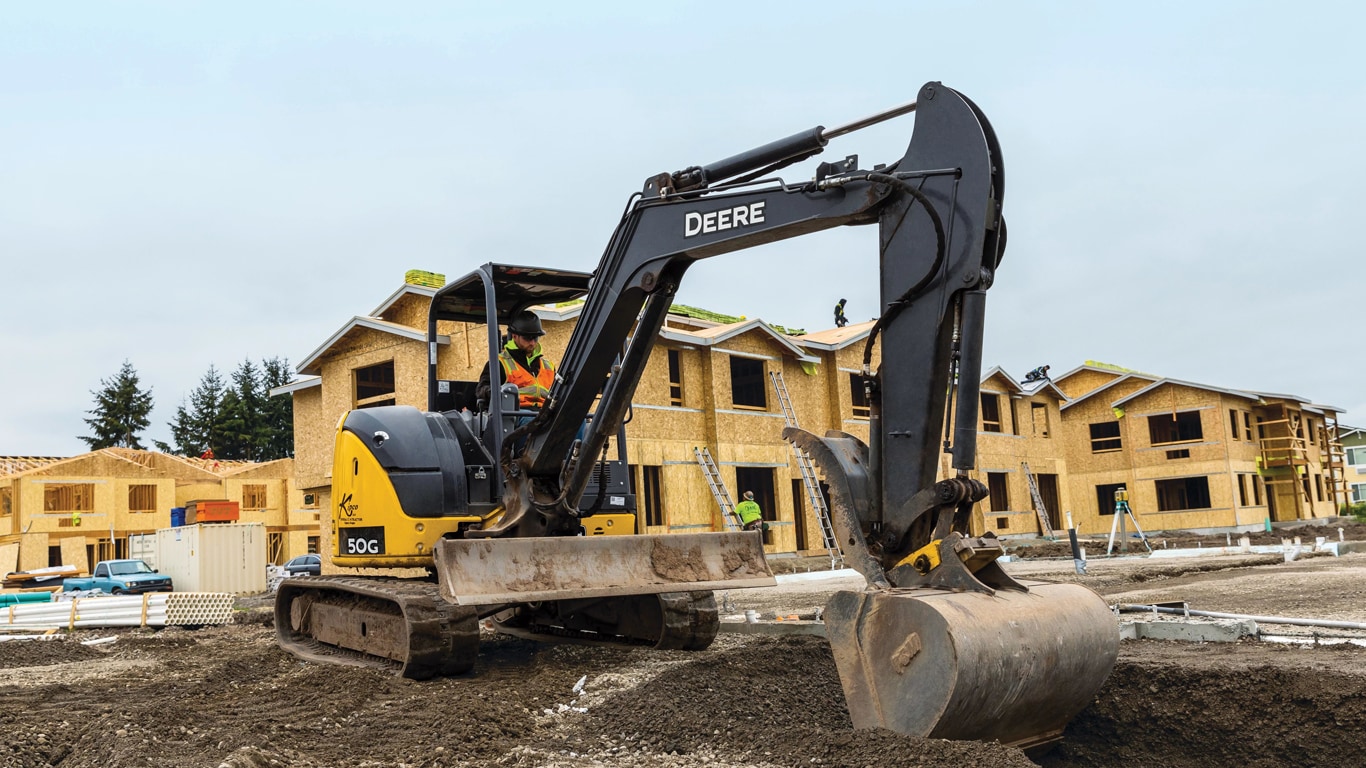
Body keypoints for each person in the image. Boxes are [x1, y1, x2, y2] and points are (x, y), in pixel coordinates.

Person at [476, 310, 556, 411]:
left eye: (535, 338)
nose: (532, 343)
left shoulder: (548, 366)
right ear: (514, 336)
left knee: (580, 424)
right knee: (530, 419)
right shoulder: (500, 362)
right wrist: (498, 393)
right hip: (517, 412)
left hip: (545, 412)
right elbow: (482, 389)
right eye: (527, 338)